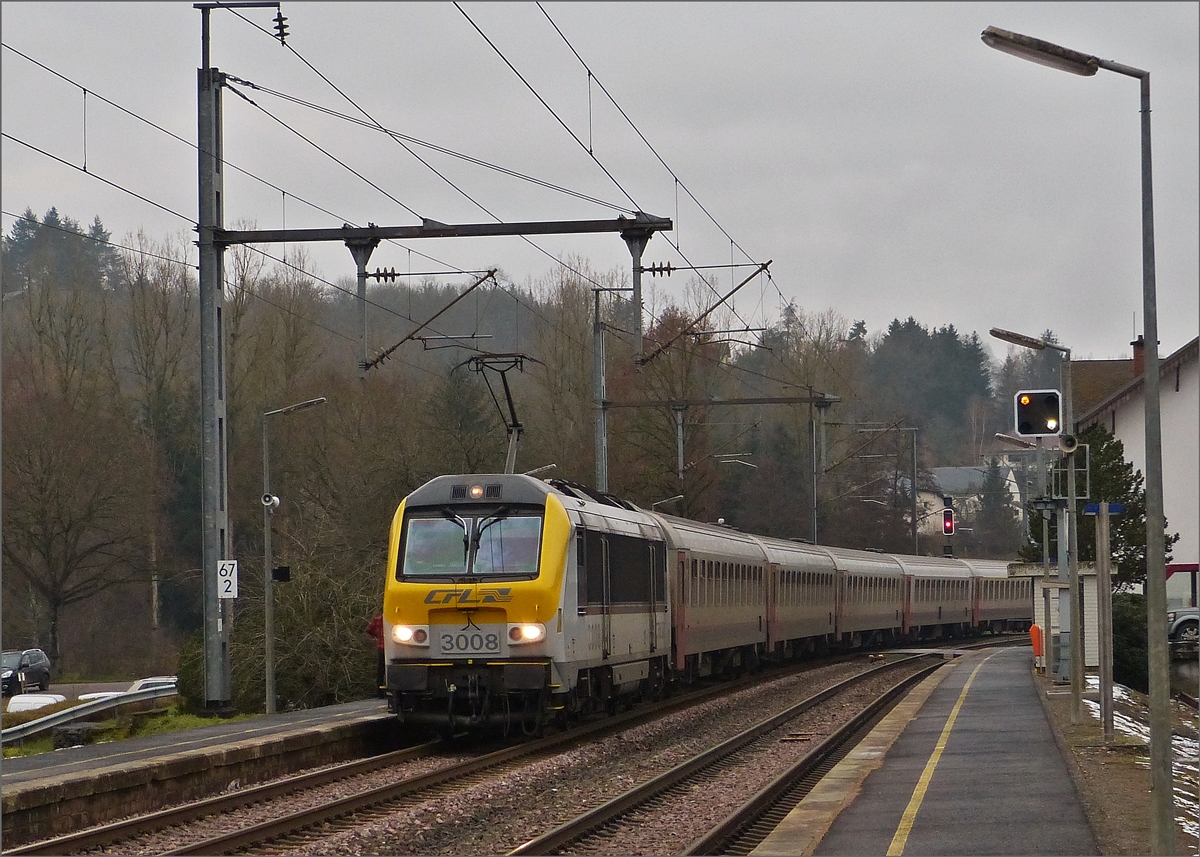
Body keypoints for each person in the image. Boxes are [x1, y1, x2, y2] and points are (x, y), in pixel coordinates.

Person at [366, 614, 385, 698]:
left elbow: (369, 629)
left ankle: (379, 690)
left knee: (381, 669)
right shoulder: (397, 619)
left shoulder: (379, 619)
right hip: (395, 647)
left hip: (381, 647)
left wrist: (378, 636)